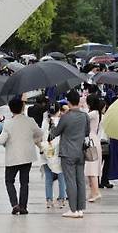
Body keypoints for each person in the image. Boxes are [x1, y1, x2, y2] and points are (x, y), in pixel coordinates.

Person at [0, 97, 43, 215]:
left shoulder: (8, 123)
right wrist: (32, 140)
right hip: (27, 155)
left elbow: (1, 141)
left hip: (13, 156)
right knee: (24, 182)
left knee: (9, 181)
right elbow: (40, 133)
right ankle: (23, 207)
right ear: (22, 107)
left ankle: (14, 204)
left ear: (11, 109)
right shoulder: (30, 121)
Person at [50, 89, 89, 219]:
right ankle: (80, 209)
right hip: (80, 152)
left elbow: (55, 133)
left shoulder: (66, 117)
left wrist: (53, 124)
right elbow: (87, 132)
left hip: (67, 152)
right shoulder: (85, 116)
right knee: (80, 180)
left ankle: (72, 209)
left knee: (70, 180)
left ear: (68, 101)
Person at [40, 103, 67, 209]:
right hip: (59, 152)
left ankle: (49, 200)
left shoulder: (44, 122)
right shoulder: (62, 121)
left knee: (48, 177)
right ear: (59, 111)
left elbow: (42, 136)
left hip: (46, 151)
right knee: (61, 176)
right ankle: (61, 198)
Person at [84, 94, 103, 202]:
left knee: (92, 168)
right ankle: (92, 192)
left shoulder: (93, 113)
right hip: (93, 139)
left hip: (91, 141)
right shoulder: (96, 113)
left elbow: (83, 117)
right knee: (91, 168)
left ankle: (96, 192)